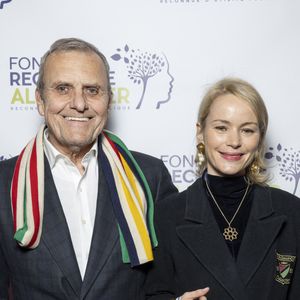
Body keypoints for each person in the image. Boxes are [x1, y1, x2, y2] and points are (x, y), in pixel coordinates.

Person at [0, 38, 177, 300]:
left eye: (92, 90)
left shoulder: (150, 177)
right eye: (63, 88)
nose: (79, 104)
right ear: (40, 100)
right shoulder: (4, 184)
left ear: (109, 100)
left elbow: (165, 285)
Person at [145, 78, 300, 300]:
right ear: (200, 132)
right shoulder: (167, 214)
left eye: (247, 130)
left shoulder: (291, 211)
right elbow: (153, 293)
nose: (234, 141)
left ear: (260, 138)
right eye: (221, 128)